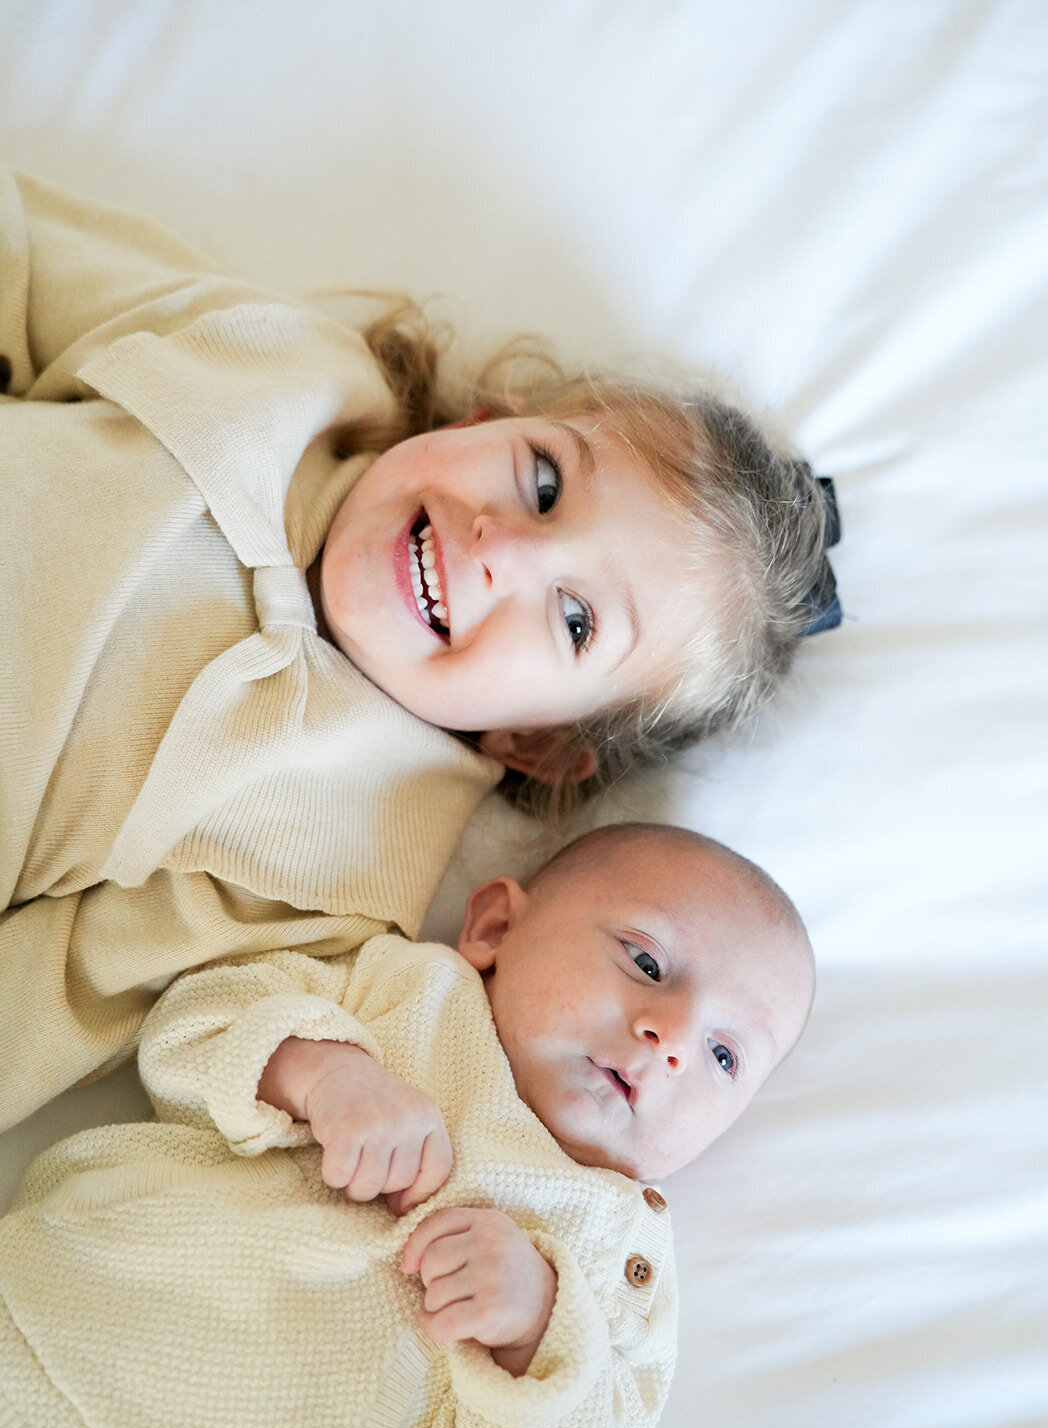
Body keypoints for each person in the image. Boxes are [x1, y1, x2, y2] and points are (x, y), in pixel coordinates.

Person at [0, 167, 839, 1130]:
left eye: (575, 621)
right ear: (485, 422)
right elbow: (29, 262)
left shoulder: (340, 858)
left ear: (537, 741)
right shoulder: (283, 375)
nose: (502, 547)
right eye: (543, 482)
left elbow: (59, 994)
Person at [0, 823, 815, 1428]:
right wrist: (321, 1075)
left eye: (722, 1054)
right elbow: (189, 1027)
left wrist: (536, 1325)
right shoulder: (403, 993)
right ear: (495, 928)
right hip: (49, 1339)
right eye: (645, 962)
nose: (670, 1037)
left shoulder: (619, 1254)